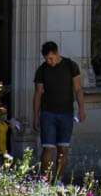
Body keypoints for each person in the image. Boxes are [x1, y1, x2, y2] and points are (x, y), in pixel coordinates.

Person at [32, 41, 85, 181]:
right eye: (46, 59)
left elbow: (78, 88)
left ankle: (59, 180)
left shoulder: (70, 65)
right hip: (47, 113)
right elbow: (37, 93)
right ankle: (44, 181)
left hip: (66, 113)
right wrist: (36, 116)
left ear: (57, 53)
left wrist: (81, 109)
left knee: (63, 149)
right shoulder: (42, 69)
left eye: (51, 58)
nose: (49, 61)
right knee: (47, 147)